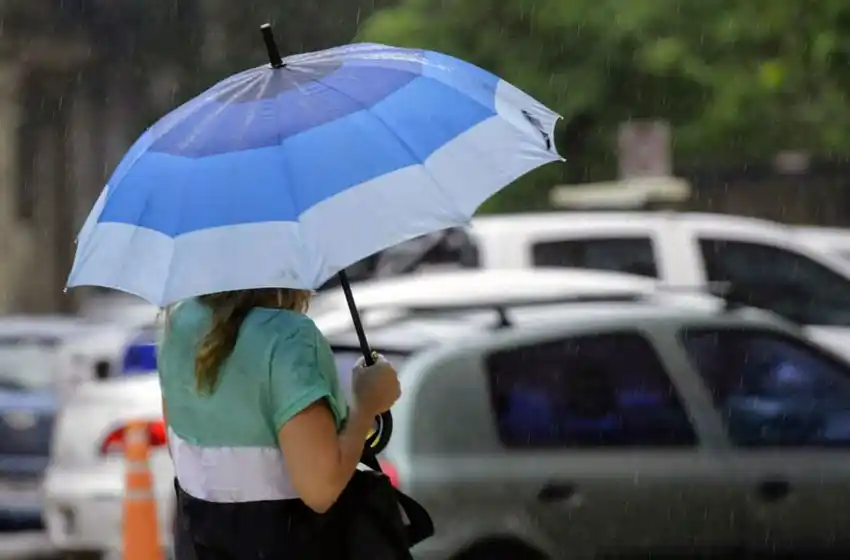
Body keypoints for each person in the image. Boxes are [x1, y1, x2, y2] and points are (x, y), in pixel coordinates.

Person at [158, 288, 400, 559]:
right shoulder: (288, 337)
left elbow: (179, 448)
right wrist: (366, 405)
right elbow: (321, 489)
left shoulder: (178, 323)